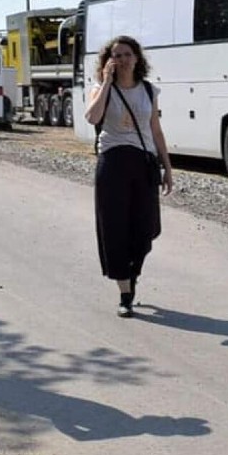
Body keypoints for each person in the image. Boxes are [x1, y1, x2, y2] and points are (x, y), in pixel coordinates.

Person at [84, 35, 173, 317]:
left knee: (145, 227)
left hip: (144, 162)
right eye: (116, 55)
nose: (122, 59)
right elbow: (92, 118)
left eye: (127, 54)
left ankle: (132, 272)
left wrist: (167, 167)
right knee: (115, 227)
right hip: (113, 161)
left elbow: (156, 130)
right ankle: (125, 292)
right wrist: (107, 83)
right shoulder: (100, 88)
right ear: (108, 61)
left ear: (137, 58)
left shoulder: (148, 90)